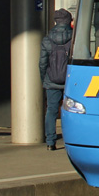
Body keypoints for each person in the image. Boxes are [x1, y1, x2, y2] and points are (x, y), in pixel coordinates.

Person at [39, 8, 73, 151]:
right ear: (68, 21)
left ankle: (50, 142)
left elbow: (42, 63)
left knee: (51, 111)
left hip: (51, 80)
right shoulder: (74, 38)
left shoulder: (47, 39)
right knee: (71, 110)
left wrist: (44, 79)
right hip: (70, 81)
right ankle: (70, 140)